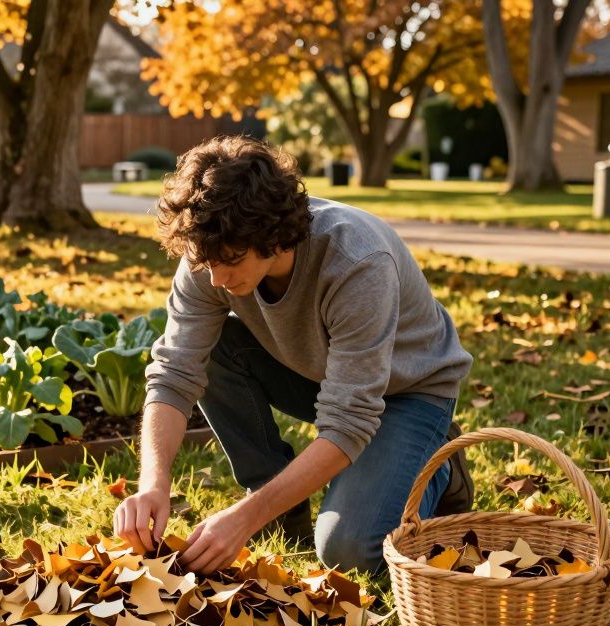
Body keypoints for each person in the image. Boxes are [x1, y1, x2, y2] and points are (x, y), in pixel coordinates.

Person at [113, 136, 474, 575]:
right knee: (215, 348)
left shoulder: (357, 261)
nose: (217, 279)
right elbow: (174, 372)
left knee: (348, 551)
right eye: (205, 264)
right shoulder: (210, 251)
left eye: (231, 261)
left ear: (274, 236)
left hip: (410, 392)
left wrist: (243, 518)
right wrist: (153, 484)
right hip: (322, 374)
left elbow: (348, 421)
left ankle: (440, 465)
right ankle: (278, 504)